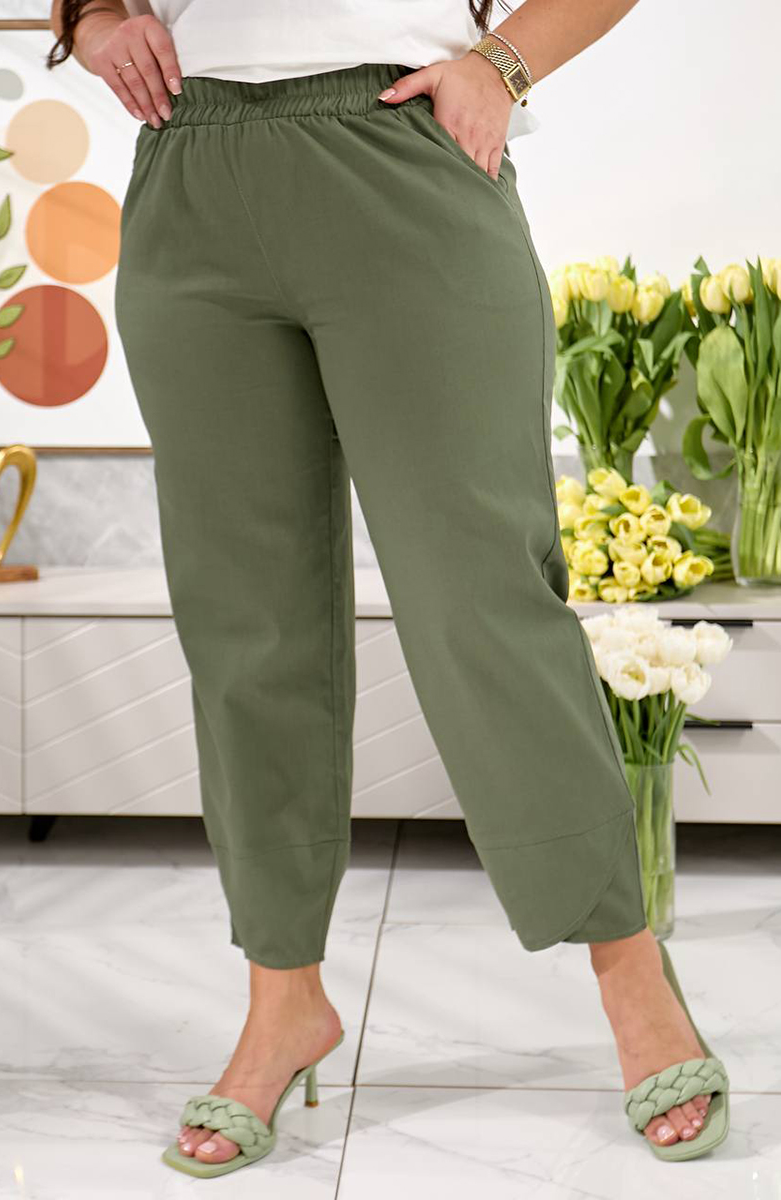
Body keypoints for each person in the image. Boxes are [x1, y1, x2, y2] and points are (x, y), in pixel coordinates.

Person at [48, 0, 730, 1176]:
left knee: (481, 604)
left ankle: (631, 973)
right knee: (244, 626)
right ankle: (282, 1001)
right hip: (191, 165)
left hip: (395, 146)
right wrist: (97, 15)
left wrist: (500, 65)